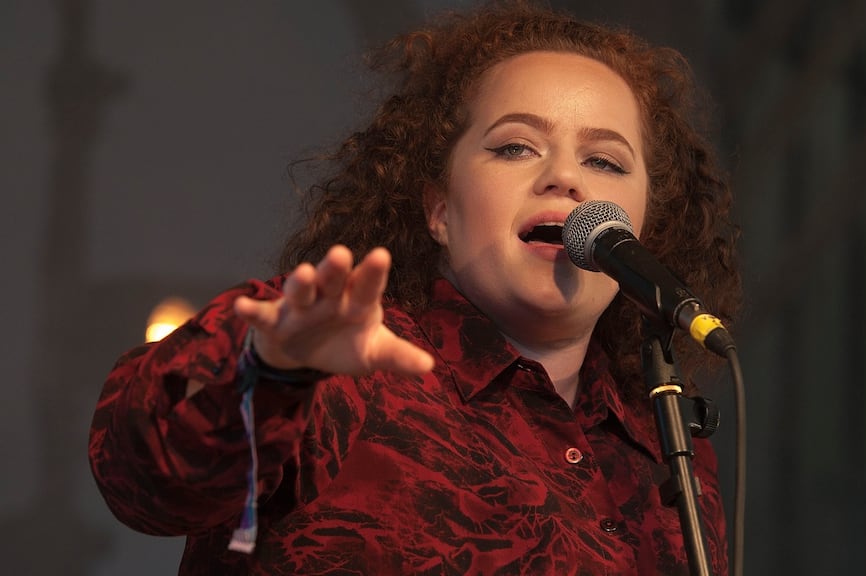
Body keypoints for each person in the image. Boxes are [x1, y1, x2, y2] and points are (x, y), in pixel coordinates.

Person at [89, 1, 742, 574]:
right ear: (439, 210)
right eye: (515, 147)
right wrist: (270, 369)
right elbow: (144, 482)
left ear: (645, 223)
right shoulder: (334, 364)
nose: (566, 178)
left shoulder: (668, 450)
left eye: (604, 160)